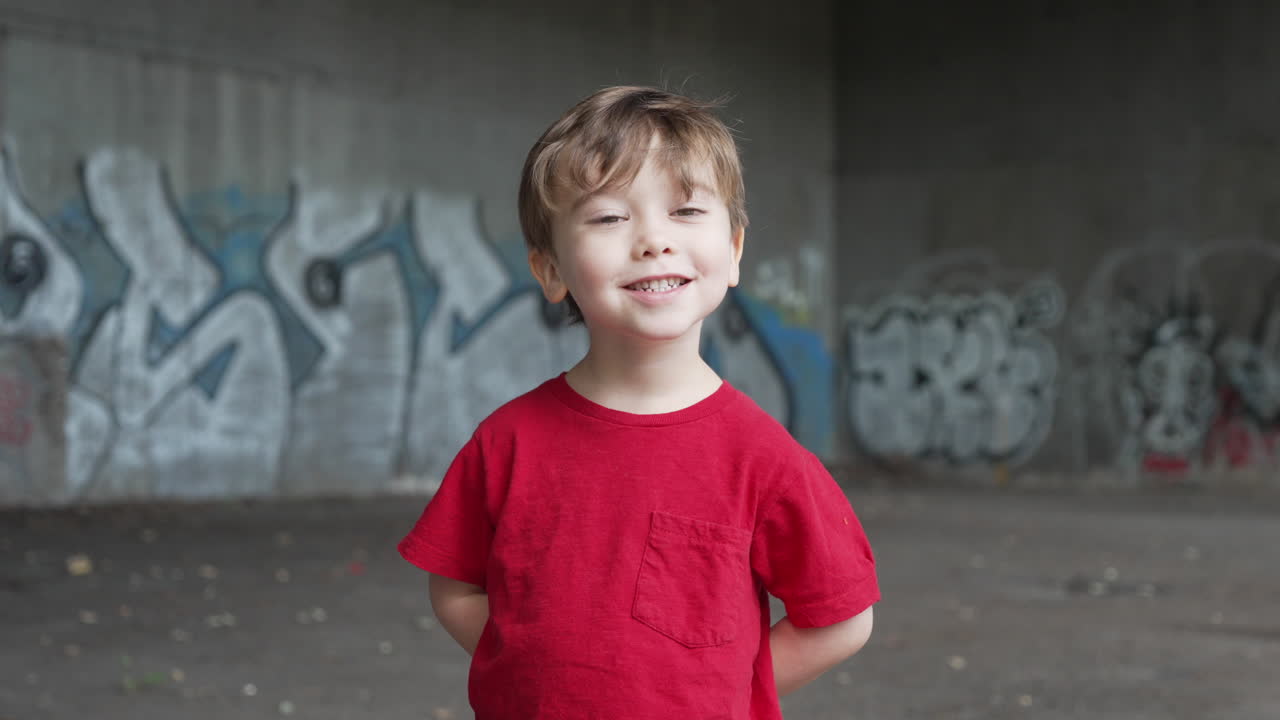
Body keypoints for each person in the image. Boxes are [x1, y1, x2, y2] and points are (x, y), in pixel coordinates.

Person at [398, 85, 879, 719]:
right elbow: (456, 585)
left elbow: (841, 619)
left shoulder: (764, 459)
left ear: (733, 251)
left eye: (684, 211)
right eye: (607, 217)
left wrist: (724, 690)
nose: (653, 239)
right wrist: (532, 676)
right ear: (550, 271)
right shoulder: (507, 441)